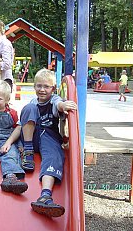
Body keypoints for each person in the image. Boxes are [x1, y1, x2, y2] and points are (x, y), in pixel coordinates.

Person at [20, 68, 77, 217]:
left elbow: (58, 104)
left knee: (54, 156)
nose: (42, 90)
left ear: (53, 88)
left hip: (47, 135)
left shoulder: (54, 100)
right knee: (29, 108)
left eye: (46, 87)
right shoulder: (32, 102)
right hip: (30, 137)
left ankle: (45, 195)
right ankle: (28, 152)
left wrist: (63, 106)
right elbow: (21, 124)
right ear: (34, 87)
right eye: (39, 86)